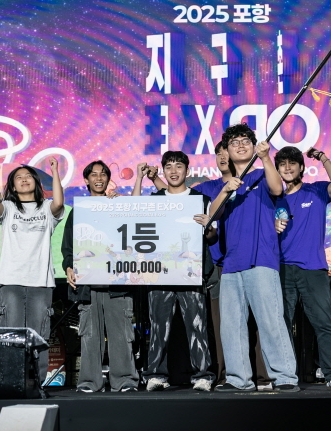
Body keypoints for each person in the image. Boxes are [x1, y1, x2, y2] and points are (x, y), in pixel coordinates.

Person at [206, 123, 298, 392]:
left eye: (246, 141)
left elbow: (277, 189)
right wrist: (226, 190)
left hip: (261, 260)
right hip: (231, 263)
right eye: (234, 142)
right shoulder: (225, 185)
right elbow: (212, 216)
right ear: (226, 151)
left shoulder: (260, 174)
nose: (241, 145)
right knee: (231, 326)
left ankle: (285, 377)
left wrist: (266, 157)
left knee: (270, 321)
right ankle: (238, 379)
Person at [192, 141, 274, 389]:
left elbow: (277, 192)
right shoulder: (211, 187)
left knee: (262, 321)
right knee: (227, 325)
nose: (222, 157)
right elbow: (178, 194)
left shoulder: (257, 178)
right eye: (218, 154)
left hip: (256, 261)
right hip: (223, 266)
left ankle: (265, 377)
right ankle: (231, 377)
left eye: (224, 153)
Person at [133, 150, 215, 392]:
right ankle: (156, 374)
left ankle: (203, 375)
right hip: (159, 273)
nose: (174, 171)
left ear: (187, 171)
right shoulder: (155, 198)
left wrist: (209, 227)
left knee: (197, 326)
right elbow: (133, 211)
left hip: (191, 273)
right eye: (168, 166)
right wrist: (139, 177)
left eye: (179, 166)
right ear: (163, 171)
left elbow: (212, 236)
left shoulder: (201, 199)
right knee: (158, 327)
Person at [274, 146, 331, 390]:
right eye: (282, 164)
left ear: (301, 167)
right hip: (282, 269)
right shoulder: (274, 198)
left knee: (324, 322)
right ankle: (285, 375)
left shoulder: (316, 191)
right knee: (282, 324)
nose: (287, 167)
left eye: (292, 163)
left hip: (313, 268)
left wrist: (323, 157)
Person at [61, 160, 138, 393]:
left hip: (117, 284)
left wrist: (122, 206)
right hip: (88, 286)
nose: (99, 178)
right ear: (86, 180)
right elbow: (68, 248)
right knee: (90, 336)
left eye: (103, 174)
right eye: (93, 174)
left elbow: (132, 237)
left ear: (108, 179)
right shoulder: (79, 211)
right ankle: (89, 382)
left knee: (121, 335)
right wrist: (69, 267)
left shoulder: (118, 205)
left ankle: (124, 381)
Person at [0, 155, 66, 381]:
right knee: (10, 332)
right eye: (18, 177)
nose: (24, 179)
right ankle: (9, 379)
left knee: (38, 334)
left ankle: (36, 382)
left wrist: (55, 172)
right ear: (12, 186)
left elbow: (59, 203)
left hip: (41, 281)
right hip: (11, 280)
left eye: (28, 176)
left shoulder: (47, 207)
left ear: (36, 183)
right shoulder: (9, 207)